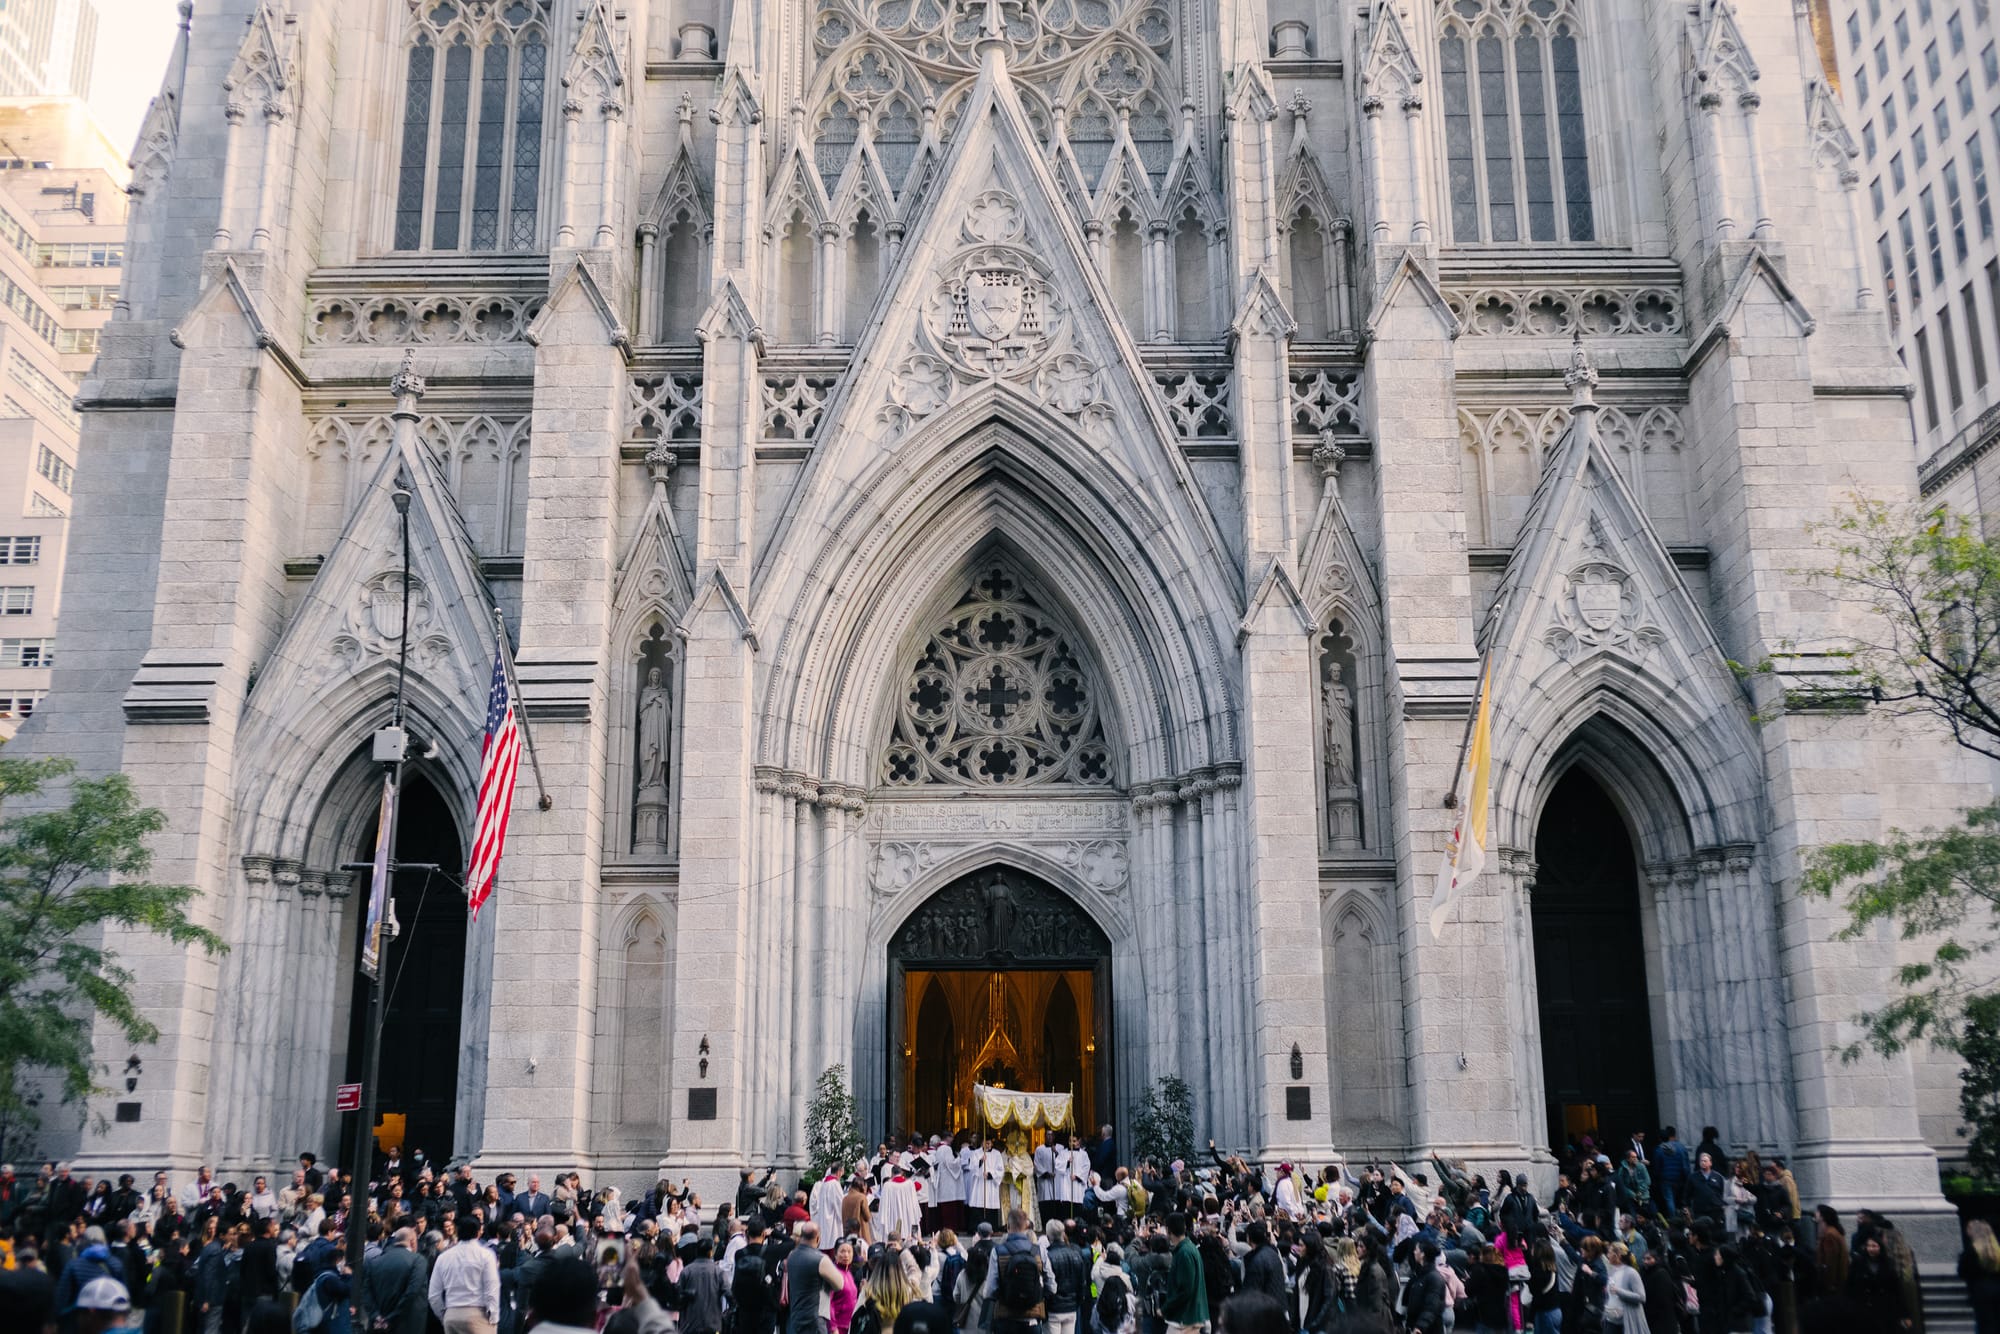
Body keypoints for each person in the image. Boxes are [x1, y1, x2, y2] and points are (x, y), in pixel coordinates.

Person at [981, 1208, 1055, 1334]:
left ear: (1008, 1226)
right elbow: (1052, 1287)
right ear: (1026, 1226)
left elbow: (989, 1290)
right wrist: (1038, 1296)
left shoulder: (998, 1251)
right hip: (1033, 1316)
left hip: (1006, 1318)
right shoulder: (1039, 1251)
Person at [431, 1226, 502, 1334]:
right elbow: (492, 1288)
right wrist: (494, 1316)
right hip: (477, 1314)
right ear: (478, 1233)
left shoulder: (443, 1257)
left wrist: (444, 1315)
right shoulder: (486, 1255)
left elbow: (433, 1295)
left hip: (452, 1314)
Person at [361, 1228, 432, 1334]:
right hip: (407, 1324)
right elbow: (412, 1292)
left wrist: (376, 1316)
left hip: (378, 1325)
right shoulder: (418, 1261)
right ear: (412, 1241)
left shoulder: (374, 1262)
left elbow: (366, 1292)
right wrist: (391, 1317)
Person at [786, 1223, 848, 1334]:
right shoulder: (821, 1259)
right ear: (818, 1238)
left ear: (802, 1236)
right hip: (815, 1319)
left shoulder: (791, 1256)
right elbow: (840, 1284)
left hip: (795, 1317)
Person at [1045, 1220, 1092, 1334]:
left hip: (1054, 1308)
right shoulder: (1075, 1254)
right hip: (1071, 1307)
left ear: (1048, 1236)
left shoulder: (1048, 1256)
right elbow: (1082, 1281)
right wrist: (1078, 1301)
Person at [1963, 1221, 2000, 1334]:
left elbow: (1963, 1271)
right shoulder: (1997, 1251)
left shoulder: (1972, 1251)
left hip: (1980, 1290)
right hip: (1997, 1287)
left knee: (1984, 1323)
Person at [1606, 1244, 1647, 1334]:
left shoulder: (1631, 1273)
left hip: (1626, 1321)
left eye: (1609, 1252)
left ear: (1617, 1256)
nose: (1607, 1255)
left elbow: (1641, 1297)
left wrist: (1619, 1291)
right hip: (1611, 1319)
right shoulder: (1611, 1271)